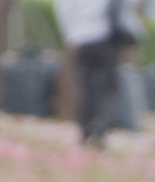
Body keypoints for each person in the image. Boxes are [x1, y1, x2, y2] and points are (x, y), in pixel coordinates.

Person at [55, 0, 143, 147]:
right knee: (110, 88)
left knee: (85, 88)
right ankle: (100, 128)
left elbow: (63, 9)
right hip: (106, 37)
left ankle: (85, 131)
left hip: (81, 38)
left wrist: (70, 35)